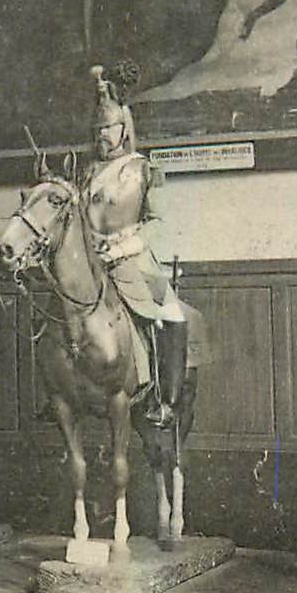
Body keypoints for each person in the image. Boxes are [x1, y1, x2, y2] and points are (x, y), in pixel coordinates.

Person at [79, 64, 190, 427]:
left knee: (172, 316)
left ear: (124, 128)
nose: (101, 134)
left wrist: (122, 248)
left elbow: (157, 221)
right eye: (97, 129)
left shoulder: (144, 169)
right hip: (90, 260)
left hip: (133, 258)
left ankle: (166, 400)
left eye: (108, 127)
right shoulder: (86, 172)